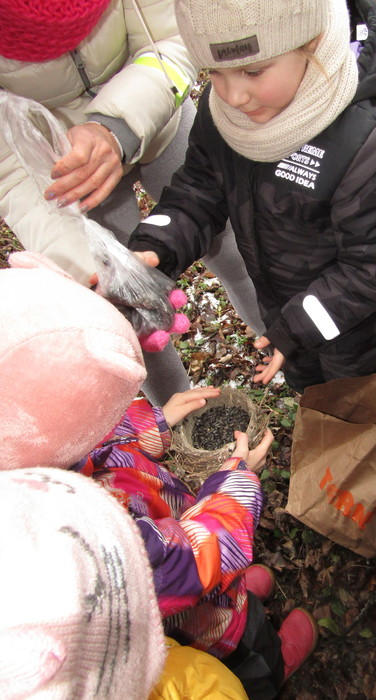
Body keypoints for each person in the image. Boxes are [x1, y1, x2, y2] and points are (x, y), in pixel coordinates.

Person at [0, 251, 318, 700]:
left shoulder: (31, 452)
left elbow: (94, 441)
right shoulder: (74, 548)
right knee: (238, 640)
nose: (113, 418)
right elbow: (186, 562)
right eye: (108, 409)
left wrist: (154, 423)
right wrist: (236, 484)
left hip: (178, 533)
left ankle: (238, 590)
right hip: (192, 612)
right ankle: (272, 664)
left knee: (229, 587)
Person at [127, 0, 376, 393]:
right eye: (216, 72)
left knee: (357, 396)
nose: (233, 96)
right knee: (309, 387)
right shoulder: (221, 116)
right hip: (279, 313)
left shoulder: (363, 136)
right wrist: (155, 246)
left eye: (252, 71)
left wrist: (298, 326)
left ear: (311, 43)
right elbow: (197, 191)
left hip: (349, 322)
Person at [0, 0, 263, 406]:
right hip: (68, 175)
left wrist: (117, 128)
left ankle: (280, 344)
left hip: (160, 119)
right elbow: (10, 174)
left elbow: (173, 40)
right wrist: (88, 269)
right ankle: (179, 418)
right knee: (130, 310)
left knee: (228, 243)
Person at [0, 466, 251, 700]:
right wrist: (237, 477)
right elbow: (203, 556)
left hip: (171, 631)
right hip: (208, 630)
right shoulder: (101, 560)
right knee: (250, 656)